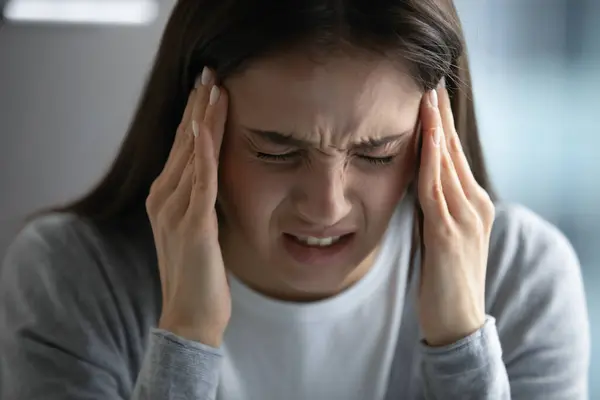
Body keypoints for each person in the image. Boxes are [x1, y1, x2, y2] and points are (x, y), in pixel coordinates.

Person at [0, 0, 590, 399]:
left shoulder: (522, 279)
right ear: (190, 125)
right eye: (276, 152)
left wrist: (462, 343)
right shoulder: (73, 276)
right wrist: (186, 336)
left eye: (378, 153)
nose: (327, 207)